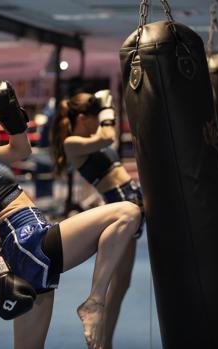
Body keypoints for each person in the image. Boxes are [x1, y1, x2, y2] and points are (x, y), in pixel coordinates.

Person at [0, 81, 141, 349]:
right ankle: (95, 302)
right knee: (127, 213)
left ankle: (94, 303)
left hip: (26, 251)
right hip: (30, 240)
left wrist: (12, 116)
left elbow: (21, 150)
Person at [50, 90, 145, 349]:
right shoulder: (72, 144)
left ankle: (106, 343)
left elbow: (104, 138)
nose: (98, 123)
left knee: (122, 284)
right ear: (83, 118)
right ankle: (101, 344)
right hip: (120, 210)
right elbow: (108, 136)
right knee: (112, 286)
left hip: (134, 202)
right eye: (95, 117)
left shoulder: (90, 138)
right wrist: (107, 109)